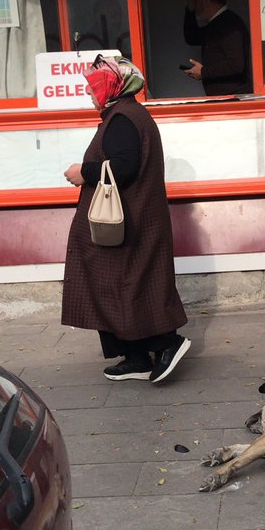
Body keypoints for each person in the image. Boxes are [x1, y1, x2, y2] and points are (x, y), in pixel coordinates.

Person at [62, 54, 191, 383]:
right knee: (123, 285)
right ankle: (136, 356)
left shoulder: (123, 118)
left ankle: (167, 344)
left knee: (123, 284)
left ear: (110, 86)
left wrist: (84, 173)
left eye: (92, 87)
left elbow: (124, 166)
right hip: (135, 222)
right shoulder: (125, 113)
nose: (89, 94)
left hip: (129, 225)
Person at [182, 0, 251, 96]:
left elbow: (236, 64)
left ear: (207, 0)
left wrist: (204, 72)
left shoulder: (228, 24)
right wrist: (189, 11)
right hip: (225, 97)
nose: (193, 3)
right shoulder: (216, 23)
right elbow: (192, 37)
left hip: (233, 99)